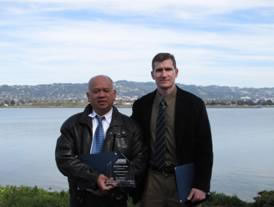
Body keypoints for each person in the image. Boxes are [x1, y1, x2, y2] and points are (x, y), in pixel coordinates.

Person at [131, 53, 213, 207]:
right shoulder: (141, 105)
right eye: (159, 70)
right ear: (152, 74)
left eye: (168, 69)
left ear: (176, 72)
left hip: (184, 179)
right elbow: (132, 142)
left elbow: (205, 148)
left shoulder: (194, 104)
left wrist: (201, 185)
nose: (164, 74)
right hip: (151, 180)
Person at [55, 75, 147, 207]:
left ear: (114, 94)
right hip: (81, 198)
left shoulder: (131, 127)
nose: (101, 95)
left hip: (116, 198)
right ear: (88, 95)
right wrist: (95, 178)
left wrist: (118, 180)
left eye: (106, 90)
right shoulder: (72, 125)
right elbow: (64, 159)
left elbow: (140, 160)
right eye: (96, 91)